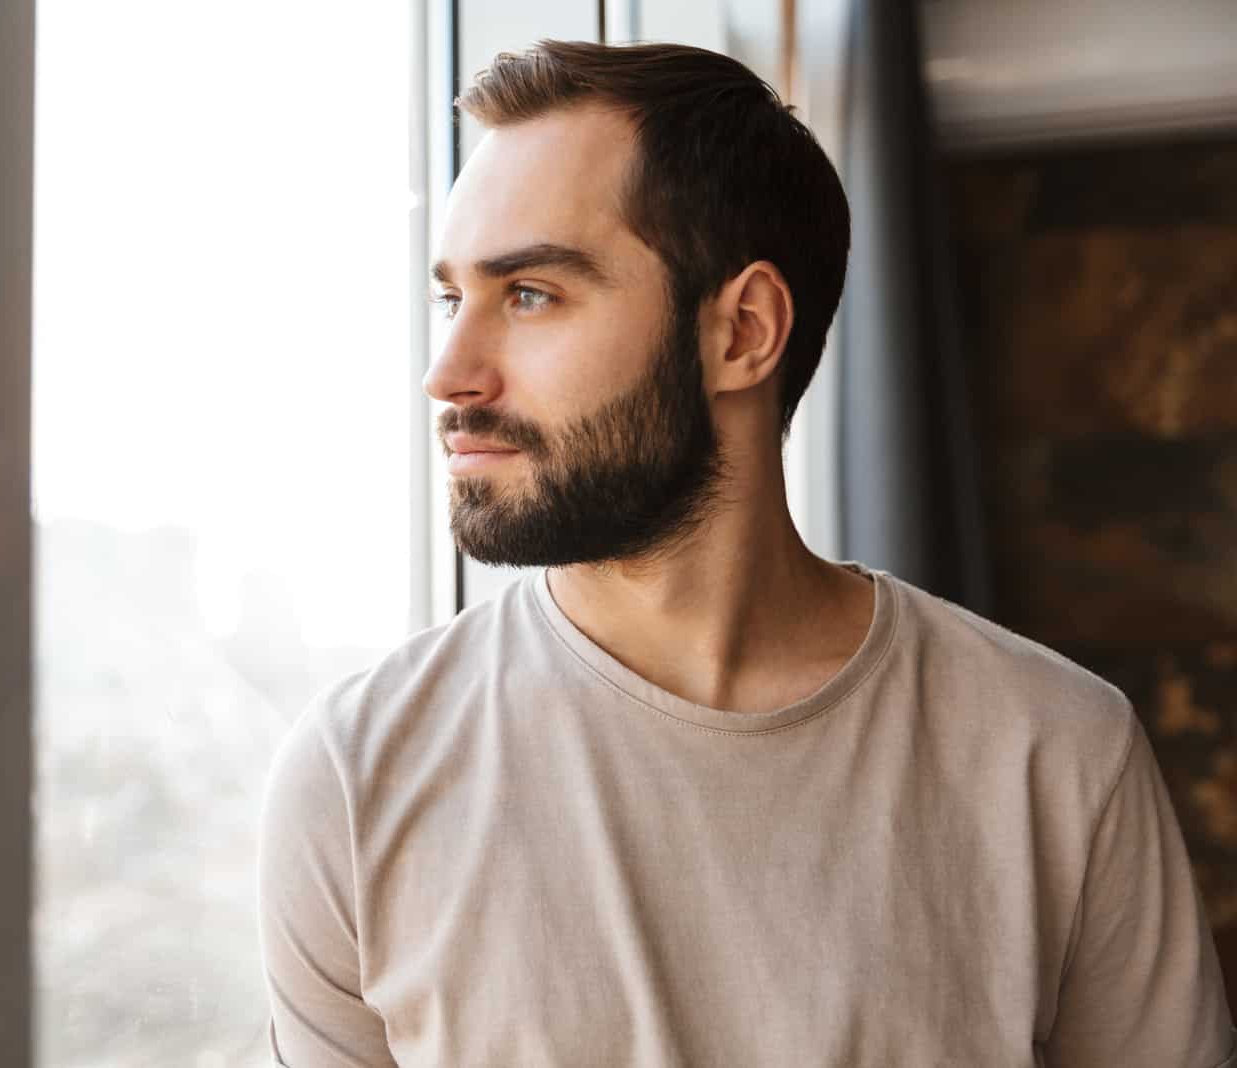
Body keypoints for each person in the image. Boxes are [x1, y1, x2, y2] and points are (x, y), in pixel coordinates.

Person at [255, 39, 1235, 1067]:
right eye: (451, 299)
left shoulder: (1056, 751)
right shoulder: (355, 779)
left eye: (530, 293)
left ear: (742, 332)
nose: (448, 372)